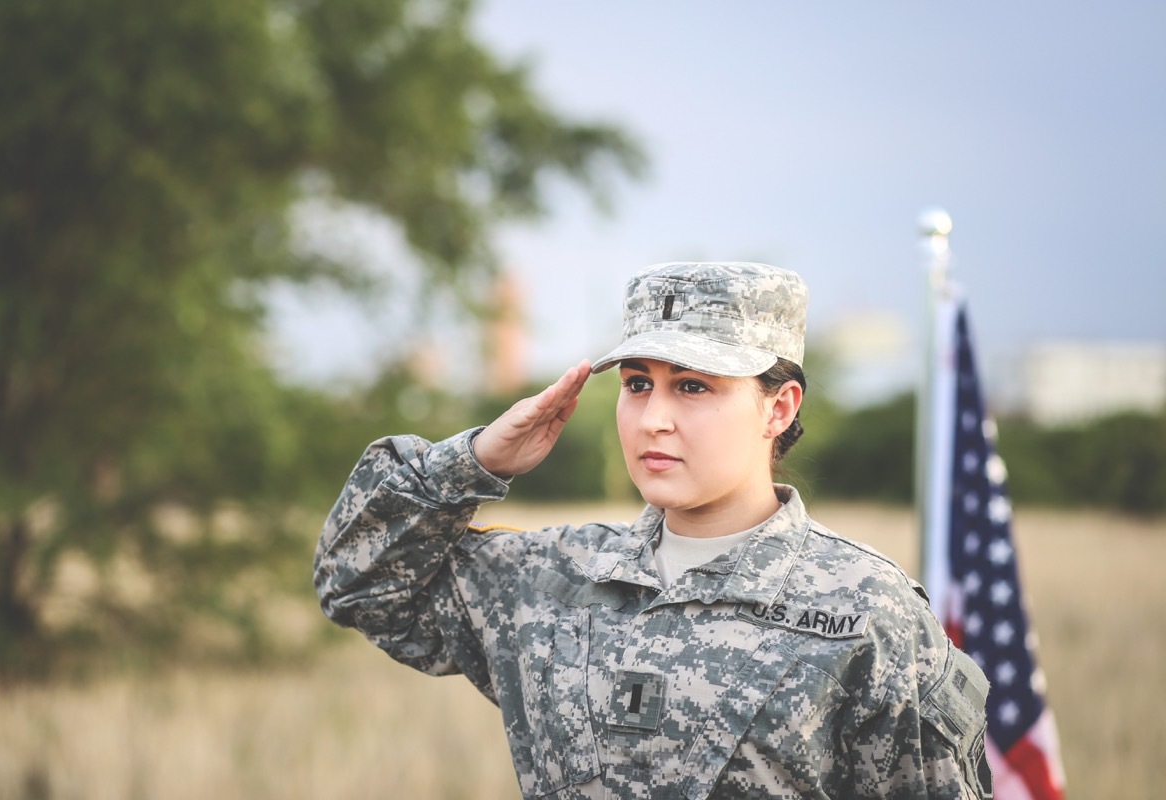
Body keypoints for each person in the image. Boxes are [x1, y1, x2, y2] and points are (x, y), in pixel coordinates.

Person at [314, 261, 993, 799]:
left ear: (778, 407)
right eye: (638, 384)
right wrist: (471, 462)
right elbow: (356, 584)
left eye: (693, 387)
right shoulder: (550, 578)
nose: (653, 419)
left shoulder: (864, 611)